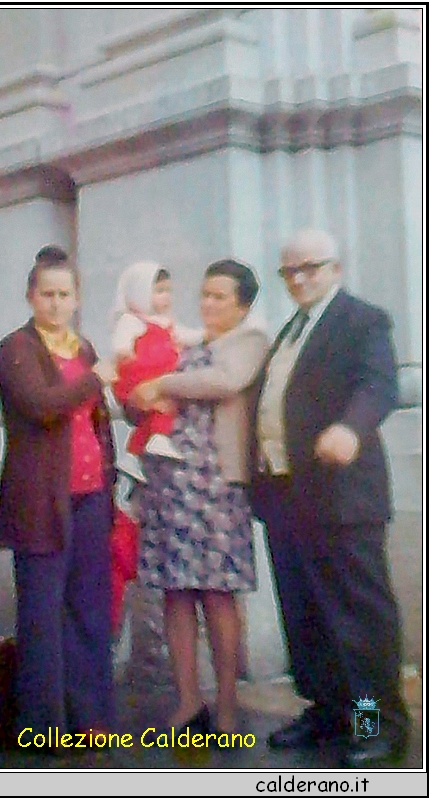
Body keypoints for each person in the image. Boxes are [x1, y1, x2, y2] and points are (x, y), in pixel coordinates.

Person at [251, 228, 410, 768]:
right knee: (306, 614)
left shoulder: (361, 320)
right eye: (289, 271)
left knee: (359, 621)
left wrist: (351, 428)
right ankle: (325, 712)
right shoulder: (293, 328)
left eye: (310, 268)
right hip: (287, 497)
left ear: (335, 268)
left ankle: (375, 726)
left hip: (344, 501)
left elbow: (378, 386)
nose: (298, 279)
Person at [131, 259, 269, 736]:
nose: (208, 304)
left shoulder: (249, 341)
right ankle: (189, 701)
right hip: (171, 484)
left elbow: (224, 382)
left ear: (244, 305)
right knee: (175, 592)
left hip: (216, 488)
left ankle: (227, 704)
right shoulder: (192, 342)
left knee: (218, 595)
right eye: (205, 294)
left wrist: (164, 384)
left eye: (220, 297)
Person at [0, 246, 116, 746]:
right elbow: (41, 406)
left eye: (65, 294)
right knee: (41, 618)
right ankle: (43, 730)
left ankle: (91, 721)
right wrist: (93, 380)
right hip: (42, 502)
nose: (57, 303)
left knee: (89, 610)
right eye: (48, 294)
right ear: (30, 295)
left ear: (76, 298)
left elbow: (95, 419)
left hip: (91, 498)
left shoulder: (82, 348)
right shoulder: (16, 348)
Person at [111, 261, 201, 462]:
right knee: (161, 407)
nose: (166, 297)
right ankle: (153, 441)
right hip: (139, 377)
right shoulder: (131, 320)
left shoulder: (166, 322)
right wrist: (124, 352)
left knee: (160, 410)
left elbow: (187, 335)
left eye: (168, 291)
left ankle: (139, 450)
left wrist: (206, 336)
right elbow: (121, 345)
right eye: (159, 291)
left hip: (159, 377)